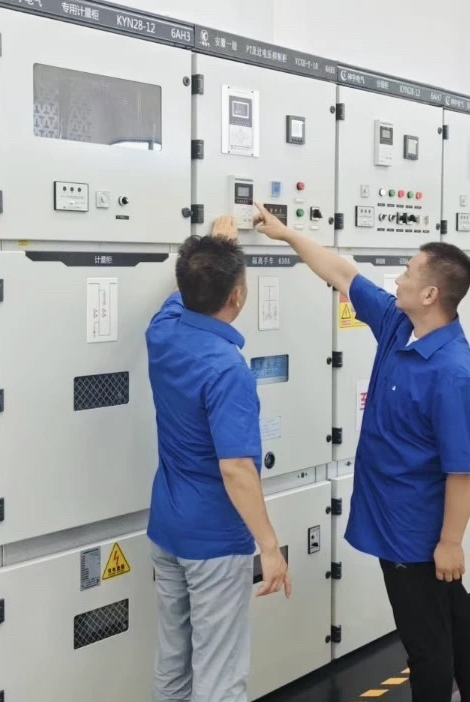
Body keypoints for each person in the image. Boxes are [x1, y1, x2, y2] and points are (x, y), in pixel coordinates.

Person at [253, 203, 470, 702]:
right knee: (454, 620)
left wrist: (450, 542)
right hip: (393, 520)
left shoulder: (453, 374)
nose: (398, 278)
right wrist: (286, 234)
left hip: (416, 535)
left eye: (407, 272)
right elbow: (343, 274)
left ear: (430, 294)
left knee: (427, 648)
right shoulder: (398, 324)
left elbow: (462, 473)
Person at [145, 213, 292, 702]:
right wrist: (269, 547)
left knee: (173, 660)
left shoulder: (162, 333)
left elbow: (181, 298)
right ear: (238, 296)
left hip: (167, 528)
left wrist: (214, 250)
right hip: (214, 539)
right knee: (220, 674)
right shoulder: (228, 369)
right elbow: (237, 469)